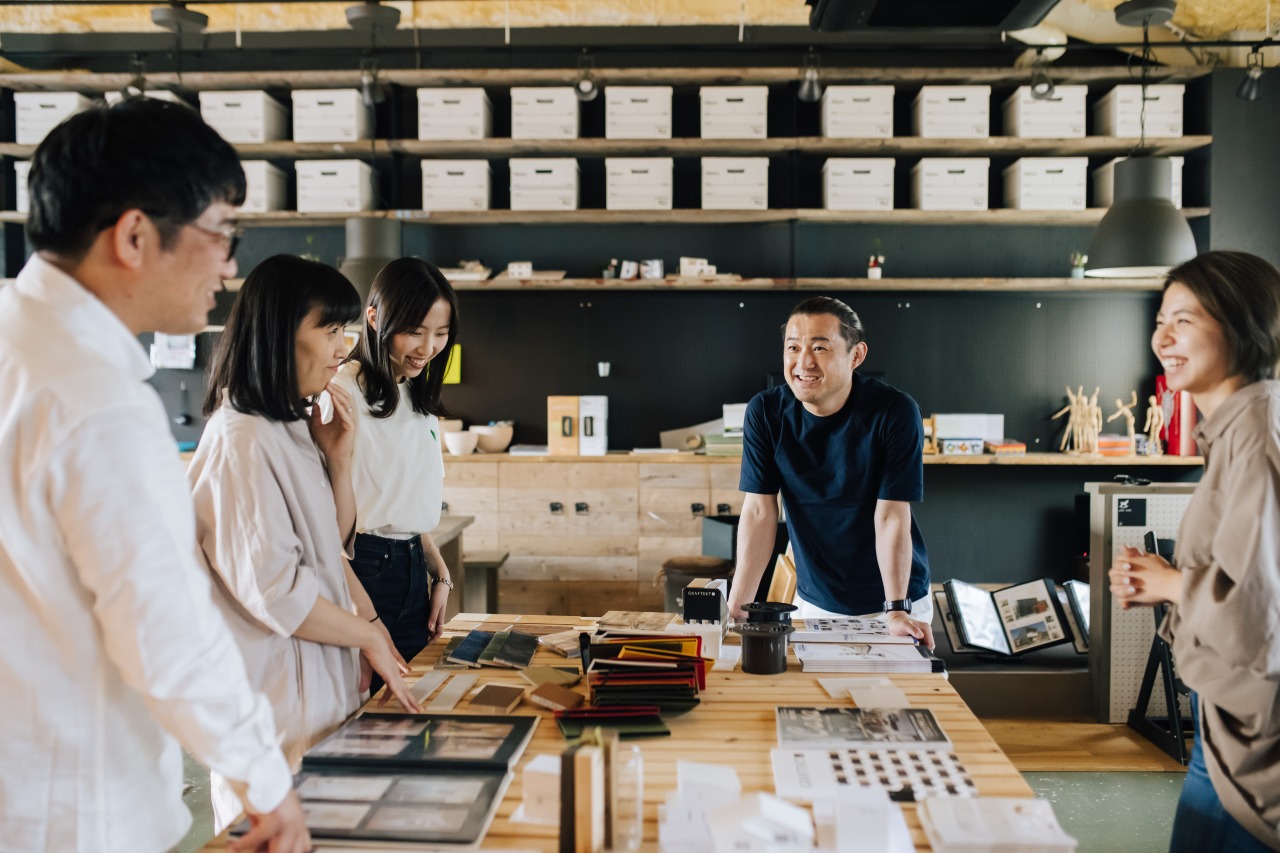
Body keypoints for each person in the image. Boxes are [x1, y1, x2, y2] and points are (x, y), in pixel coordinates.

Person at [0, 98, 308, 852]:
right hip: (75, 812)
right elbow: (166, 632)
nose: (230, 265)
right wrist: (267, 783)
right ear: (135, 235)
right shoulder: (95, 398)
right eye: (220, 234)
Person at [190, 254, 422, 828]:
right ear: (278, 331)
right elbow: (276, 592)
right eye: (331, 329)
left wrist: (338, 460)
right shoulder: (240, 440)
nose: (344, 347)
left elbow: (331, 544)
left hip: (316, 697)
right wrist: (368, 637)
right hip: (274, 712)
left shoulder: (290, 425)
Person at [1110, 251, 1280, 852]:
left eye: (1183, 320)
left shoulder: (1256, 435)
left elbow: (1256, 617)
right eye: (1160, 320)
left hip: (1254, 745)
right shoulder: (1238, 427)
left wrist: (1168, 584)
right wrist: (1166, 581)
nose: (1162, 338)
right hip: (1227, 727)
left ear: (1241, 325)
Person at [727, 296, 934, 648]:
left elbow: (892, 518)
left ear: (856, 356)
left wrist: (897, 610)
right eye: (793, 347)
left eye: (820, 348)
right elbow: (761, 510)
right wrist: (736, 606)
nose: (803, 362)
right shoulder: (766, 411)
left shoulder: (894, 412)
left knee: (895, 702)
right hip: (815, 600)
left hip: (892, 598)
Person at [335, 257, 460, 680]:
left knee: (410, 714)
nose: (428, 347)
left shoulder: (417, 395)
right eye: (414, 331)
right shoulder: (341, 390)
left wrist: (437, 568)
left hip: (413, 570)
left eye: (440, 334)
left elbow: (399, 496)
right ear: (374, 318)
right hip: (363, 571)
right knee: (370, 721)